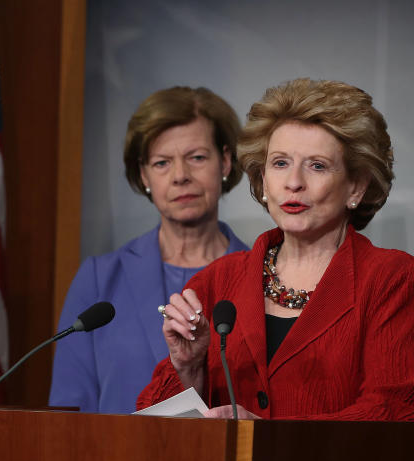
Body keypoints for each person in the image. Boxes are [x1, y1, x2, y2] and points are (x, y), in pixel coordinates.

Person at [138, 78, 414, 420]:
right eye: (280, 163)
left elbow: (395, 412)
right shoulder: (217, 281)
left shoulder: (392, 280)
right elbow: (153, 428)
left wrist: (269, 439)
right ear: (263, 179)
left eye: (317, 165)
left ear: (356, 186)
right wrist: (189, 368)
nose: (293, 182)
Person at [49, 87, 248, 414]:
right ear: (143, 174)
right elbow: (69, 409)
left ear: (225, 161)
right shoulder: (99, 279)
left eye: (197, 157)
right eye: (161, 163)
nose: (180, 176)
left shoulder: (261, 277)